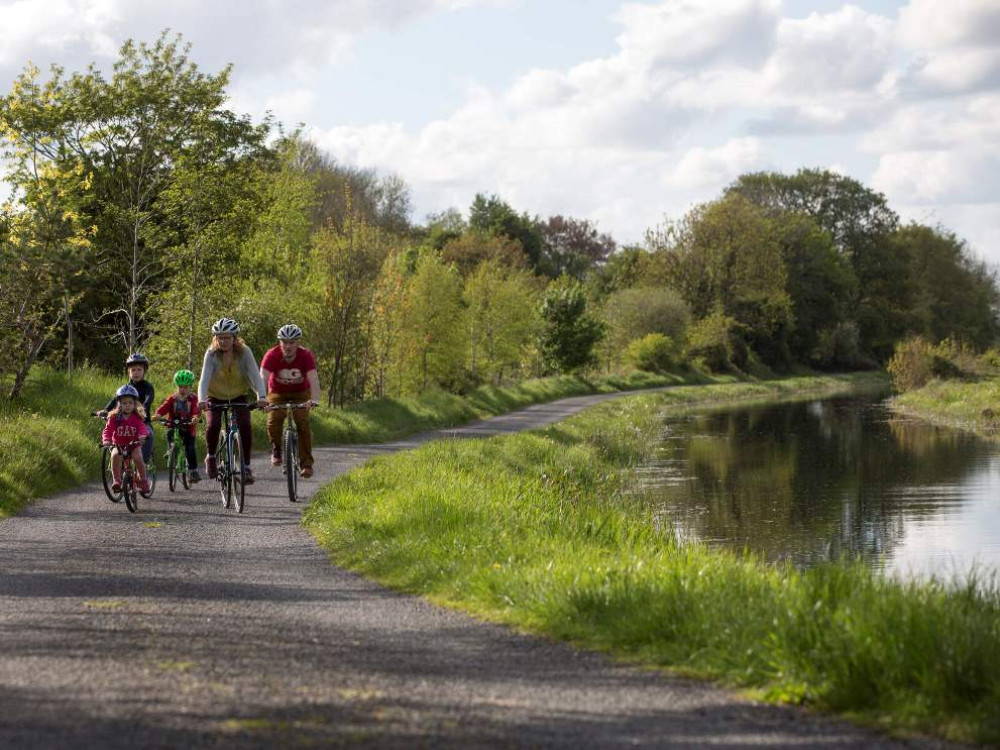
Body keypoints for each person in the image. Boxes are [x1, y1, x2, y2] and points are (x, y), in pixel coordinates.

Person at [196, 318, 268, 484]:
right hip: (214, 397)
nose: (223, 341)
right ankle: (211, 457)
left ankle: (247, 467)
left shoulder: (244, 352)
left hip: (238, 395)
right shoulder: (211, 354)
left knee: (245, 425)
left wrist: (261, 396)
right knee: (213, 425)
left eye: (227, 337)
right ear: (216, 339)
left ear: (234, 338)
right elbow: (204, 379)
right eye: (220, 337)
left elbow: (255, 375)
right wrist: (201, 399)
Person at [260, 324, 321, 478]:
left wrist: (314, 399)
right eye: (284, 342)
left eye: (292, 342)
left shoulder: (305, 355)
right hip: (277, 393)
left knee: (302, 422)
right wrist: (262, 399)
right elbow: (263, 378)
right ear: (280, 342)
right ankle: (276, 448)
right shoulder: (272, 355)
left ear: (298, 342)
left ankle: (306, 464)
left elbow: (313, 378)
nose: (288, 346)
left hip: (300, 393)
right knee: (274, 419)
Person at [102, 353, 155, 465]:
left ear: (144, 371)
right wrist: (106, 410)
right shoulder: (125, 388)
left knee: (149, 435)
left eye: (139, 370)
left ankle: (143, 462)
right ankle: (118, 462)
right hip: (123, 421)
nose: (136, 373)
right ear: (129, 372)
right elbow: (114, 400)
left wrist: (142, 408)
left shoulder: (148, 387)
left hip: (142, 421)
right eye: (133, 370)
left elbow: (149, 398)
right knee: (112, 434)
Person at [102, 384, 152, 494]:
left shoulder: (137, 417)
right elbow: (108, 430)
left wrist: (142, 436)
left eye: (130, 403)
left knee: (138, 457)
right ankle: (117, 481)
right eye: (124, 403)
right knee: (115, 455)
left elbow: (142, 428)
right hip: (118, 444)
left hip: (134, 444)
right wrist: (107, 439)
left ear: (135, 404)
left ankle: (143, 479)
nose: (128, 405)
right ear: (119, 404)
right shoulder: (114, 418)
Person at [155, 369, 202, 484]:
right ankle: (170, 450)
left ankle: (193, 471)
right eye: (180, 387)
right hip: (174, 424)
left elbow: (196, 409)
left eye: (185, 387)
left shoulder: (193, 398)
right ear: (177, 386)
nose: (183, 390)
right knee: (169, 434)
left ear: (190, 387)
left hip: (188, 426)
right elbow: (164, 407)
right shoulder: (173, 398)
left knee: (190, 448)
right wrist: (158, 414)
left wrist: (195, 417)